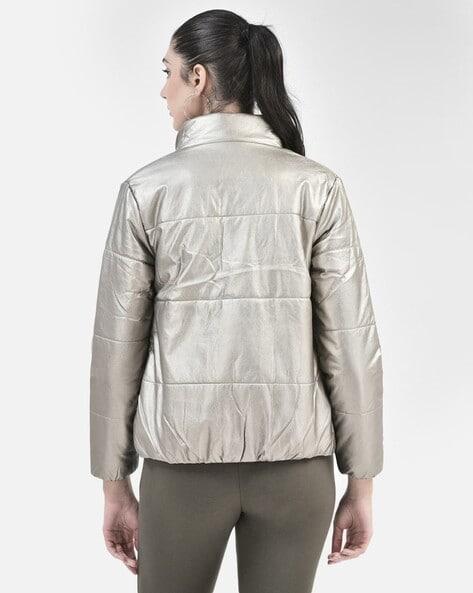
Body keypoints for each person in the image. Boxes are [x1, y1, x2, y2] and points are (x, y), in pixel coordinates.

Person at [89, 9, 384, 593]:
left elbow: (116, 349)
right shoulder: (317, 187)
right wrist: (363, 480)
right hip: (299, 474)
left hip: (180, 473)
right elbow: (352, 345)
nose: (163, 90)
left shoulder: (146, 192)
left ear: (198, 78)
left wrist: (113, 481)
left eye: (169, 72)